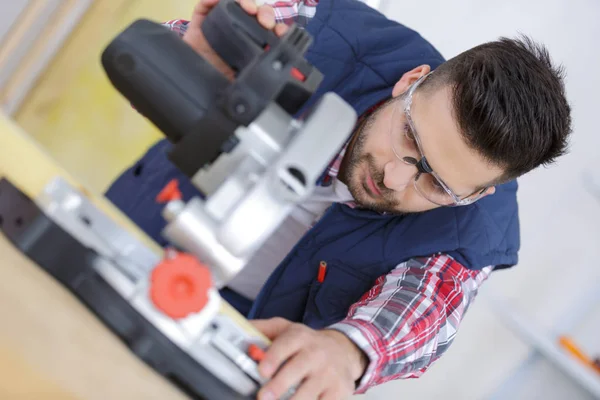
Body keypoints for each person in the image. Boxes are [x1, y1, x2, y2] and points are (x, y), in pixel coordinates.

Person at [105, 0, 573, 399]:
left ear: (477, 194)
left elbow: (422, 309)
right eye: (408, 137)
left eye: (436, 185)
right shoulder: (320, 26)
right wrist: (195, 68)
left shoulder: (476, 231)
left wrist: (347, 351)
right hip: (129, 244)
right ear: (411, 81)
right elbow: (155, 51)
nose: (393, 178)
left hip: (235, 346)